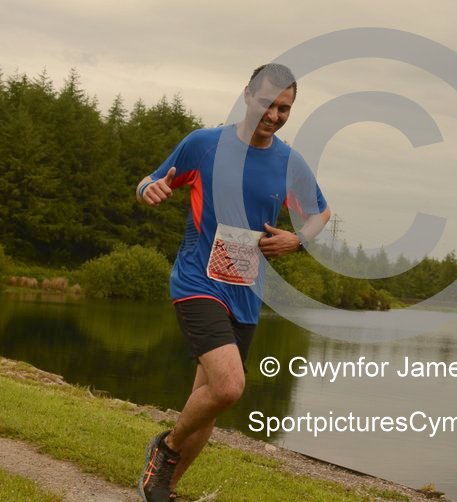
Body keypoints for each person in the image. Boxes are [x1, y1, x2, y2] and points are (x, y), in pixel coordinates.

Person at [134, 63, 330, 502]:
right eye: (266, 104)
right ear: (246, 95)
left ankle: (164, 487)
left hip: (245, 291)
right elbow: (150, 180)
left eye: (284, 109)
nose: (274, 115)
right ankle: (165, 448)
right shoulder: (204, 145)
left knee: (208, 399)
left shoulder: (289, 162)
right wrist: (148, 190)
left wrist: (298, 239)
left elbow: (321, 212)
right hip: (197, 281)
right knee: (228, 387)